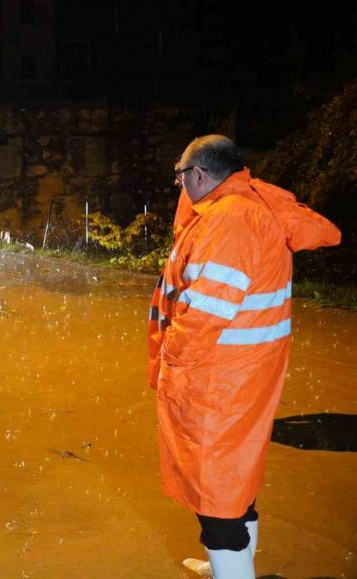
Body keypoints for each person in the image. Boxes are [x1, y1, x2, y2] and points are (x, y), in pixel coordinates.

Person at [146, 135, 340, 578]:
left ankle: (232, 568)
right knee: (236, 477)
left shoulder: (231, 220)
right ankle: (234, 566)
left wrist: (169, 366)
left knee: (216, 494)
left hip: (217, 379)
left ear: (199, 174)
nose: (178, 186)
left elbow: (207, 312)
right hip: (241, 375)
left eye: (179, 176)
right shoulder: (245, 207)